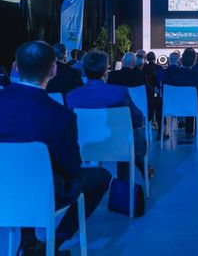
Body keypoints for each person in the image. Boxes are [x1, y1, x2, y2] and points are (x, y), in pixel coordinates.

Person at [0, 41, 111, 255]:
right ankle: (51, 244)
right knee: (99, 177)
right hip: (41, 192)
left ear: (15, 67)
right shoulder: (61, 116)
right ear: (53, 70)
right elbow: (72, 167)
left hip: (4, 188)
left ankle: (29, 241)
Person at [66, 50, 148, 182]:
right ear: (105, 72)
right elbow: (137, 118)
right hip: (116, 147)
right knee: (136, 131)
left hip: (82, 147)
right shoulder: (119, 92)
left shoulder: (71, 96)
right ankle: (125, 181)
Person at [162, 49, 198, 139]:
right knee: (193, 99)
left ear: (181, 60)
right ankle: (190, 130)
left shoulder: (170, 75)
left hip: (171, 108)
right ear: (194, 62)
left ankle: (188, 128)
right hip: (190, 108)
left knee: (190, 99)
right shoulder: (196, 76)